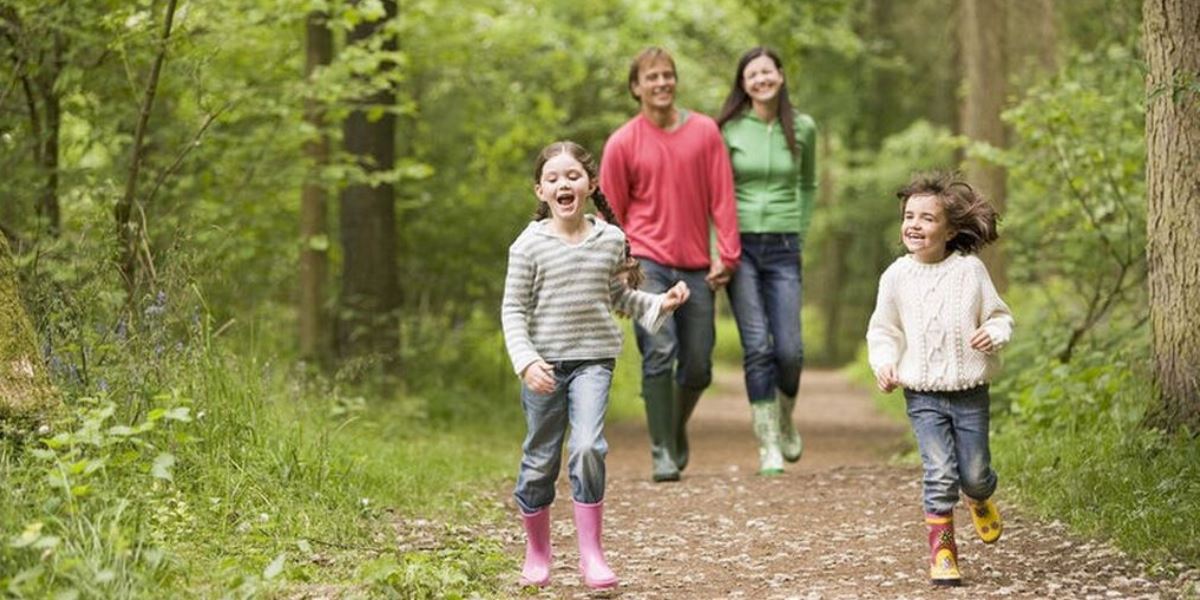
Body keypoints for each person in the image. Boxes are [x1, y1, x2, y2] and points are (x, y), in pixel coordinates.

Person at [502, 140, 690, 589]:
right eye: (553, 178)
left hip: (593, 362)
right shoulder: (527, 246)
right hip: (544, 367)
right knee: (540, 460)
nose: (563, 184)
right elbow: (512, 309)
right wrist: (526, 362)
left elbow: (618, 296)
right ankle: (538, 552)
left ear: (588, 185)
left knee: (588, 447)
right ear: (539, 191)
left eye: (572, 176)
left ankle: (591, 554)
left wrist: (660, 303)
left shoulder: (610, 239)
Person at [599, 46, 741, 482]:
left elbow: (722, 195)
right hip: (647, 264)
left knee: (698, 363)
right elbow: (610, 214)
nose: (661, 83)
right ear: (635, 87)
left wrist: (728, 254)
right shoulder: (623, 142)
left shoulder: (704, 132)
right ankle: (661, 449)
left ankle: (673, 427)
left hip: (697, 265)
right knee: (660, 351)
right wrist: (618, 270)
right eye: (652, 77)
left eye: (667, 75)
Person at [865, 172, 1012, 586]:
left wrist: (994, 334)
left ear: (950, 230)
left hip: (970, 393)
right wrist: (885, 363)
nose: (914, 224)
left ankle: (980, 496)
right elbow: (884, 330)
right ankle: (943, 549)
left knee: (975, 473)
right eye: (909, 216)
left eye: (927, 218)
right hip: (922, 394)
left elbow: (1000, 316)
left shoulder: (969, 271)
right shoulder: (896, 276)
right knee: (939, 472)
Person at [715, 46, 816, 475]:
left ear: (781, 75)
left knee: (790, 350)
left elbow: (808, 184)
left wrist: (800, 229)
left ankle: (785, 416)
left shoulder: (804, 127)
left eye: (767, 72)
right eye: (752, 74)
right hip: (740, 249)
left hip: (784, 246)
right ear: (743, 84)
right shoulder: (730, 130)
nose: (760, 80)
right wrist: (718, 248)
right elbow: (716, 193)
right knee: (757, 347)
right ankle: (768, 444)